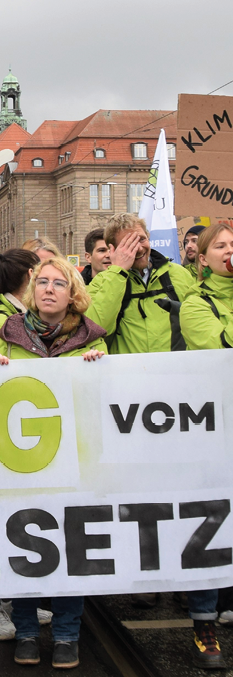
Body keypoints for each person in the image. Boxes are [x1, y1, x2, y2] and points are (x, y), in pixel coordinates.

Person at [0, 257, 107, 670]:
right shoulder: (7, 335)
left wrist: (101, 369)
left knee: (71, 549)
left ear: (74, 295)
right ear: (32, 291)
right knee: (25, 546)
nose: (49, 289)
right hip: (21, 465)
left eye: (59, 283)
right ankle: (29, 631)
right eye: (42, 282)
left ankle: (68, 634)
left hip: (74, 463)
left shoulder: (92, 341)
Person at [175, 222, 233, 669]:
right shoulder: (197, 303)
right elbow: (219, 348)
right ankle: (203, 621)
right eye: (222, 244)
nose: (230, 250)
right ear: (203, 257)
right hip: (215, 429)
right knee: (211, 523)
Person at [86, 212, 195, 354]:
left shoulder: (178, 274)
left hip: (174, 369)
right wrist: (118, 272)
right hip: (128, 372)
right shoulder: (101, 282)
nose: (138, 248)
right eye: (128, 244)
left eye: (141, 239)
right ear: (113, 249)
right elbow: (95, 328)